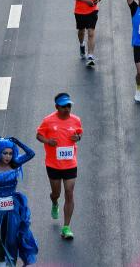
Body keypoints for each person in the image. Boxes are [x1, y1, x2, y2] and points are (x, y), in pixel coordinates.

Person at [0, 137, 39, 265]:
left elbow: (31, 154)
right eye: (5, 153)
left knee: (12, 236)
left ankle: (11, 262)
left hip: (13, 206)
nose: (8, 156)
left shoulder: (14, 163)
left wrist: (18, 142)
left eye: (10, 153)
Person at [36, 93, 83, 240]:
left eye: (69, 106)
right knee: (56, 193)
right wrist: (47, 141)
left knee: (69, 192)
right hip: (53, 164)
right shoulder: (48, 120)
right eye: (63, 106)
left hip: (70, 163)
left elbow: (79, 133)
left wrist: (78, 138)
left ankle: (66, 227)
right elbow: (38, 135)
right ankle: (55, 202)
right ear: (57, 107)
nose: (67, 109)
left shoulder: (76, 120)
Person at [69, 0, 104, 67]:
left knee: (91, 32)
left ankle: (90, 56)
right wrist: (85, 0)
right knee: (81, 31)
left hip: (92, 10)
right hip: (80, 11)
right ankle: (82, 44)